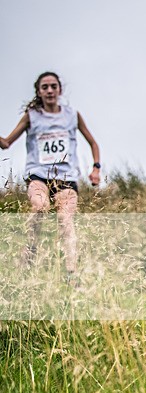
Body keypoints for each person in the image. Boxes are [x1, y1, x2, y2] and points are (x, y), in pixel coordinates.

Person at [0, 72, 101, 282]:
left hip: (66, 177)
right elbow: (7, 143)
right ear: (39, 92)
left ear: (60, 90)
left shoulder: (72, 115)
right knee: (40, 207)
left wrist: (96, 169)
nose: (49, 91)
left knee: (66, 220)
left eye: (53, 86)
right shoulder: (32, 116)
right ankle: (30, 251)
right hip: (38, 174)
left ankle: (71, 274)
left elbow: (93, 143)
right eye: (44, 87)